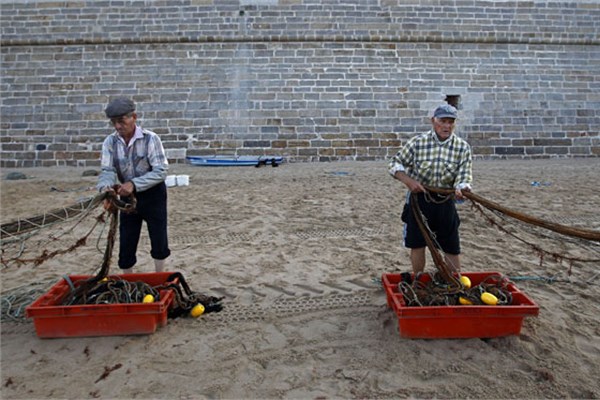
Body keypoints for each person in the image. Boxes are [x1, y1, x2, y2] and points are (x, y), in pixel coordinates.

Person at [388, 104, 472, 274]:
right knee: (417, 243)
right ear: (433, 121)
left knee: (451, 245)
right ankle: (419, 279)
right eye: (443, 121)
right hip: (419, 202)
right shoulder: (417, 143)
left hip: (445, 202)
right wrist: (409, 181)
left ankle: (453, 282)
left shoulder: (462, 148)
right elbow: (394, 164)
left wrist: (463, 188)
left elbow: (464, 177)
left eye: (451, 122)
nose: (447, 126)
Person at [96, 97, 171, 273]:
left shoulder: (151, 139)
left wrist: (133, 184)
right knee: (127, 240)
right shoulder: (110, 142)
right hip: (126, 197)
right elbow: (107, 170)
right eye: (114, 122)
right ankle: (128, 279)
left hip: (154, 195)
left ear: (134, 117)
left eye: (121, 121)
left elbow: (160, 171)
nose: (117, 126)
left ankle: (159, 275)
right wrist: (106, 189)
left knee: (159, 238)